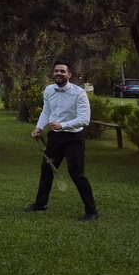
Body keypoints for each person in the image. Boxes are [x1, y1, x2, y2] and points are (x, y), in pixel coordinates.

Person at [25, 60, 99, 221]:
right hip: (55, 138)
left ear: (69, 75)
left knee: (77, 174)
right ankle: (40, 204)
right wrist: (39, 127)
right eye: (56, 71)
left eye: (62, 71)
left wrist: (62, 125)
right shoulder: (49, 90)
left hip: (74, 138)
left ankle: (91, 211)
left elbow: (84, 120)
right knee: (47, 170)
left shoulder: (79, 93)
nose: (59, 74)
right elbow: (47, 111)